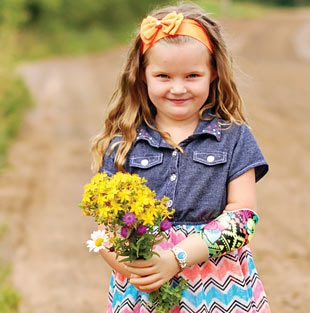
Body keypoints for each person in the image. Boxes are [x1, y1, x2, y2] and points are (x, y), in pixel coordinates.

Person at [91, 3, 271, 313]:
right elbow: (108, 230)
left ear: (213, 73)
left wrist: (177, 258)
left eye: (192, 75)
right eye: (163, 75)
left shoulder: (234, 137)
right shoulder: (123, 144)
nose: (178, 88)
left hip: (219, 288)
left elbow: (242, 219)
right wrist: (137, 269)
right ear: (142, 75)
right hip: (145, 290)